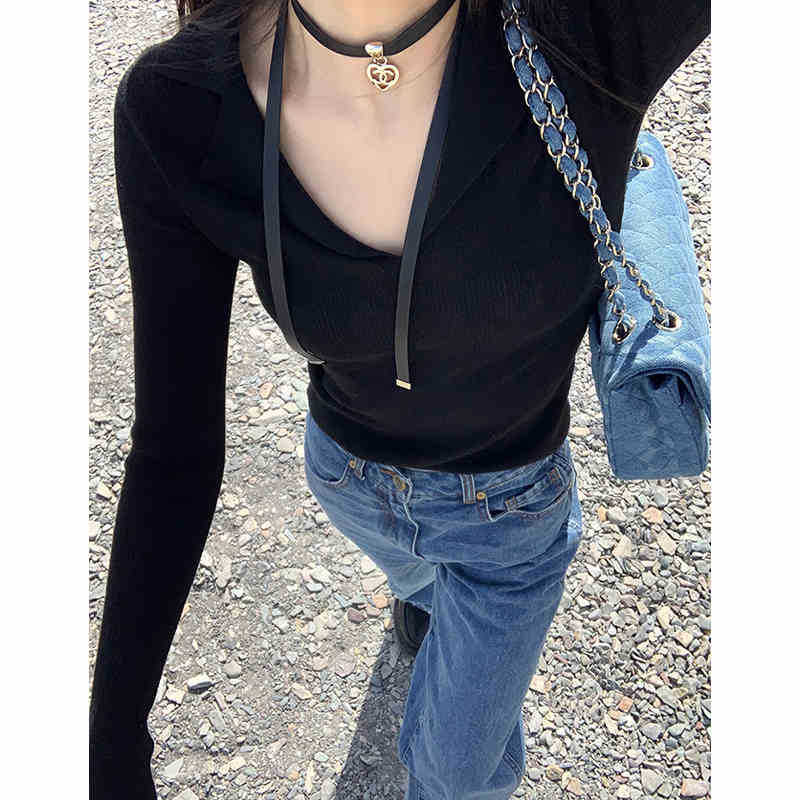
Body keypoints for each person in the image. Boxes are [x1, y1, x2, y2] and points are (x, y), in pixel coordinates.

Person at [89, 0, 711, 798]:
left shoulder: (596, 31)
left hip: (511, 524)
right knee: (423, 588)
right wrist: (111, 738)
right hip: (348, 481)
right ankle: (425, 601)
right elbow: (174, 447)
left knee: (454, 775)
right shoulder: (180, 103)